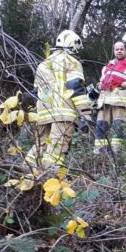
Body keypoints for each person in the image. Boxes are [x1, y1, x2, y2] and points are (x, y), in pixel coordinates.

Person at [25, 30, 93, 169]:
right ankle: (49, 178)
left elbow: (35, 92)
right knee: (56, 149)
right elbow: (75, 87)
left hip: (43, 114)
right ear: (74, 46)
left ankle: (25, 173)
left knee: (39, 145)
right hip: (63, 113)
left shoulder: (43, 64)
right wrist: (86, 113)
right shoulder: (71, 61)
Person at [94, 41, 126, 154]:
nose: (119, 51)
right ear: (114, 51)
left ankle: (118, 153)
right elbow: (101, 82)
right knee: (100, 127)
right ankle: (100, 155)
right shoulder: (107, 67)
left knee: (119, 127)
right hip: (104, 102)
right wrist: (98, 86)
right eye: (116, 49)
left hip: (120, 101)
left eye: (121, 49)